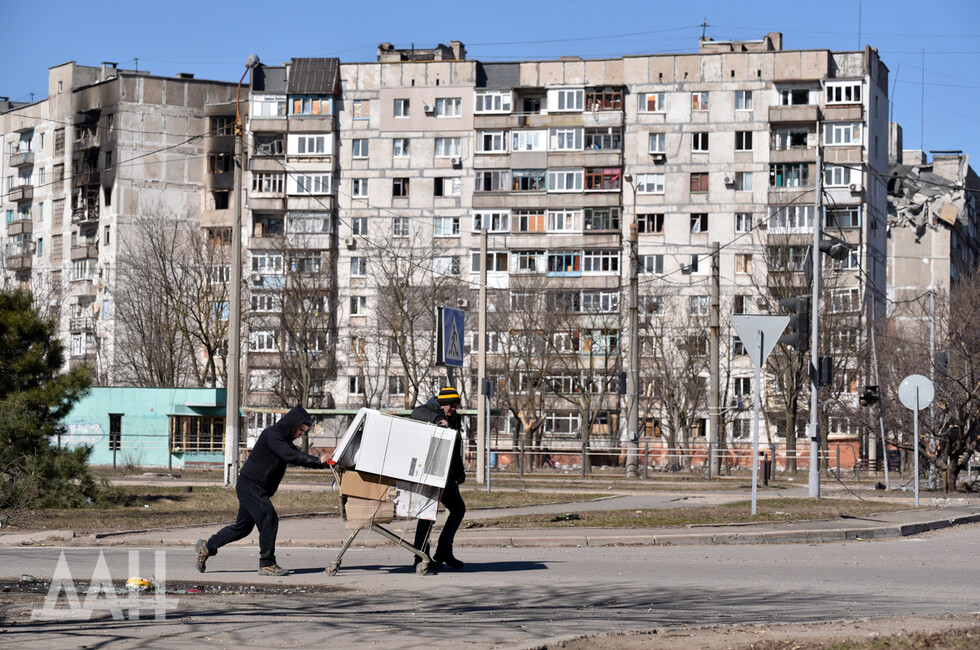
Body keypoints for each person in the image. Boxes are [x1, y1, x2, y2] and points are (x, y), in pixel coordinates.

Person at [195, 405, 329, 576]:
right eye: (301, 429)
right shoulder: (273, 434)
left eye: (304, 430)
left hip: (254, 487)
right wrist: (318, 461)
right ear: (293, 424)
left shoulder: (284, 440)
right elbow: (291, 455)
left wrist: (324, 463)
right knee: (269, 518)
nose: (302, 433)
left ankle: (206, 547)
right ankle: (267, 563)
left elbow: (299, 458)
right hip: (251, 485)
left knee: (242, 528)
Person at [410, 386, 467, 570]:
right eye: (451, 405)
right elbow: (415, 413)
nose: (453, 409)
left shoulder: (455, 419)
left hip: (447, 474)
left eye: (456, 405)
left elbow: (455, 448)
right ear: (442, 404)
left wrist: (459, 470)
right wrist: (438, 420)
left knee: (458, 509)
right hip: (429, 473)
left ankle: (443, 550)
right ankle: (420, 556)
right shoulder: (429, 410)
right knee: (428, 514)